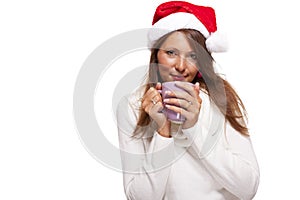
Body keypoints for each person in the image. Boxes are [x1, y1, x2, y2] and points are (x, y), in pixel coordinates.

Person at [117, 1, 260, 199]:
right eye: (171, 53)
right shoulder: (134, 106)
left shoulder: (220, 98)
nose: (181, 66)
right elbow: (139, 197)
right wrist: (163, 132)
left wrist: (193, 127)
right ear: (156, 55)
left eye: (192, 55)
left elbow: (248, 188)